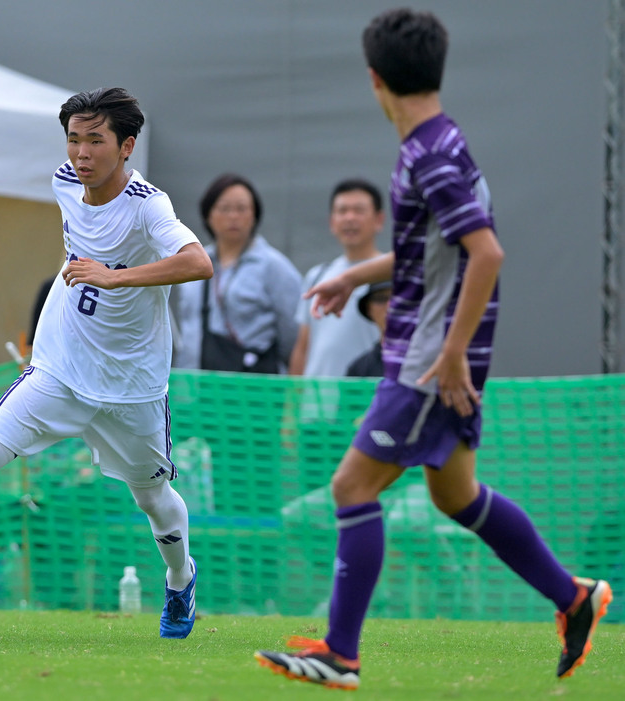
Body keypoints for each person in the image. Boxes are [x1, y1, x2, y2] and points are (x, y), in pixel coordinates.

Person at [255, 8, 611, 690]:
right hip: (436, 357)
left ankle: (341, 652)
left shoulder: (428, 153)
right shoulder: (441, 142)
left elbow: (486, 253)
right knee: (457, 496)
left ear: (374, 79)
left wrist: (449, 354)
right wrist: (358, 275)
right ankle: (573, 597)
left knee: (350, 486)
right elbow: (435, 248)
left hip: (426, 364)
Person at [0, 87, 213, 639]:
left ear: (126, 146)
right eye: (74, 138)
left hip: (132, 386)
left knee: (152, 499)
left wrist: (114, 275)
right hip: (60, 367)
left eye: (95, 140)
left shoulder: (150, 205)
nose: (81, 153)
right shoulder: (63, 183)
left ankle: (179, 580)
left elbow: (198, 261)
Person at [170, 173, 301, 373]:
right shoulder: (192, 261)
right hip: (195, 388)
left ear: (254, 215)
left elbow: (293, 335)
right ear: (208, 215)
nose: (233, 216)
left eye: (241, 208)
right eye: (224, 208)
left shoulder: (274, 266)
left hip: (251, 388)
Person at [289, 179, 385, 377]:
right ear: (332, 222)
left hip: (366, 399)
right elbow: (302, 348)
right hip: (316, 403)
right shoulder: (318, 276)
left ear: (379, 220)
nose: (350, 218)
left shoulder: (392, 275)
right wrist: (292, 404)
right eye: (342, 211)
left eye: (359, 210)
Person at [345, 281, 391, 378]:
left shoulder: (428, 360)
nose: (389, 306)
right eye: (381, 299)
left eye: (398, 297)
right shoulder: (358, 369)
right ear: (369, 308)